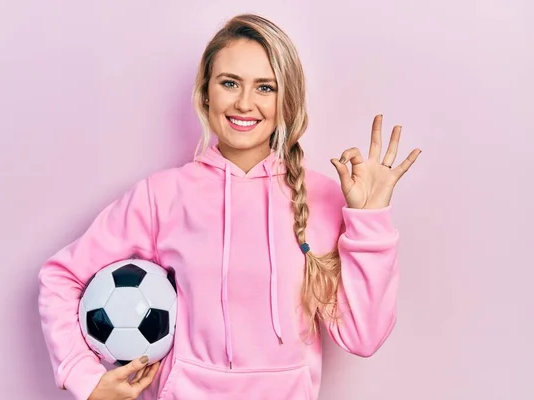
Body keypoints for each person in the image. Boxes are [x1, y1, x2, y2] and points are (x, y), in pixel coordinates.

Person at [37, 13, 421, 400]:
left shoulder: (321, 197)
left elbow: (363, 337)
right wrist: (86, 380)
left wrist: (369, 218)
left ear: (286, 98)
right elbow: (61, 277)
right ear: (206, 92)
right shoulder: (163, 196)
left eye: (265, 87)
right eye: (230, 83)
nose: (244, 103)